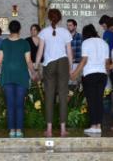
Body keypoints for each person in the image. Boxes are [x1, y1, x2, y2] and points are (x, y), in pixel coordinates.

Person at [35, 9, 73, 137]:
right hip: (63, 63)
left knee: (49, 97)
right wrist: (71, 67)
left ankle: (49, 129)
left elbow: (40, 52)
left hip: (49, 65)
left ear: (49, 18)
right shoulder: (65, 32)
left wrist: (36, 66)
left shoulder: (44, 32)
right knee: (63, 96)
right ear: (60, 18)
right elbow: (69, 52)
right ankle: (63, 129)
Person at [0, 20, 37, 138]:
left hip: (8, 76)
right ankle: (19, 130)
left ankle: (11, 131)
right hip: (21, 77)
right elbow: (29, 61)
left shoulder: (3, 43)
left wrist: (7, 67)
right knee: (20, 104)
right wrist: (34, 73)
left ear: (9, 30)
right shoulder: (25, 43)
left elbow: (0, 61)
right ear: (19, 30)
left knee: (10, 104)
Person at [70, 24, 109, 134]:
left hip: (90, 74)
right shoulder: (104, 43)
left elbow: (84, 61)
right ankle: (98, 126)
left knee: (91, 100)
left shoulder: (86, 42)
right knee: (99, 100)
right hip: (102, 75)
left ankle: (93, 125)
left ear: (85, 34)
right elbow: (107, 62)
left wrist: (74, 73)